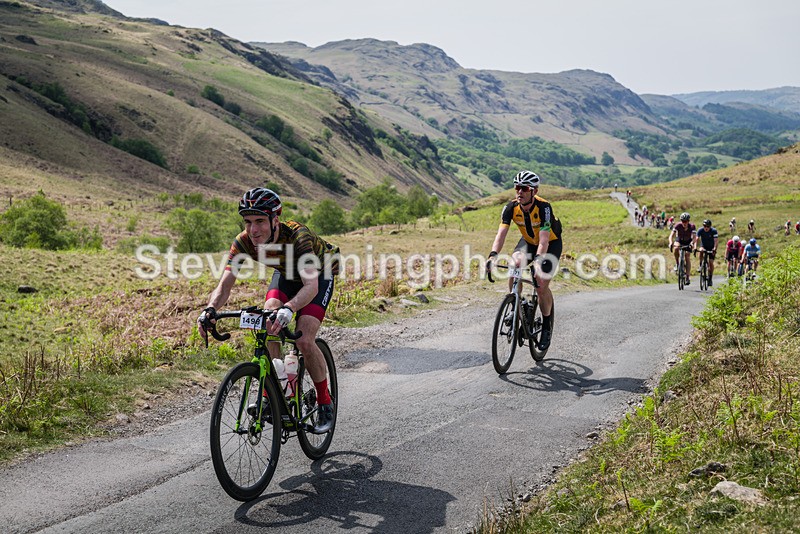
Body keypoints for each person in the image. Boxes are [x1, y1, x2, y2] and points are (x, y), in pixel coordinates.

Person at [197, 187, 339, 433]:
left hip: (320, 273)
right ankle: (275, 389)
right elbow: (225, 285)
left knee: (304, 339)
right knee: (268, 317)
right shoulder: (243, 242)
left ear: (276, 219)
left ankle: (325, 401)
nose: (254, 230)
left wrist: (291, 308)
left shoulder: (297, 236)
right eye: (248, 222)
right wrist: (209, 310)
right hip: (285, 273)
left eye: (260, 221)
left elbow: (311, 285)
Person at [486, 171, 562, 351]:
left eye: (524, 188)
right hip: (528, 242)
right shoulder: (511, 208)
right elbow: (501, 234)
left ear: (534, 191)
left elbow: (543, 240)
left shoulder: (544, 208)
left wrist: (537, 262)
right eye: (517, 188)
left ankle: (545, 326)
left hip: (550, 245)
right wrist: (493, 255)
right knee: (514, 264)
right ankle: (515, 305)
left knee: (541, 284)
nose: (519, 192)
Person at [668, 212, 697, 284]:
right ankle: (678, 264)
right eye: (683, 221)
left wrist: (692, 243)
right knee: (676, 248)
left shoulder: (692, 226)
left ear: (688, 221)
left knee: (687, 256)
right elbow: (671, 236)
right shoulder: (678, 225)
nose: (684, 223)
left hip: (688, 241)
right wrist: (671, 243)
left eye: (686, 221)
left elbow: (694, 237)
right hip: (679, 240)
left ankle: (687, 276)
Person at [695, 219, 719, 286]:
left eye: (708, 226)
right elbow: (696, 239)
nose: (706, 228)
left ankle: (710, 277)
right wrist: (695, 247)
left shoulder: (713, 231)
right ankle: (700, 265)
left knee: (711, 262)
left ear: (710, 227)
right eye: (705, 226)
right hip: (704, 246)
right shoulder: (700, 230)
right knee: (701, 251)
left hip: (711, 247)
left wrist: (714, 249)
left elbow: (716, 241)